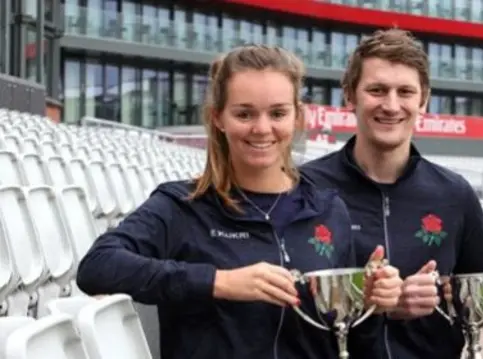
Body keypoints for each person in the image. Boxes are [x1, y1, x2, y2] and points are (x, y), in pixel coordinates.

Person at [75, 45, 403, 359]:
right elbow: (98, 267)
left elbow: (344, 329)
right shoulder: (182, 205)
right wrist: (219, 281)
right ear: (218, 118)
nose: (262, 128)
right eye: (244, 113)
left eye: (277, 113)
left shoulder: (330, 209)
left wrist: (373, 300)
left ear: (297, 118)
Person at [301, 29, 483, 359]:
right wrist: (378, 306)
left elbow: (482, 307)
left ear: (423, 100)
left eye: (405, 91)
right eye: (377, 90)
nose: (391, 105)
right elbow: (287, 308)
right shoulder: (306, 188)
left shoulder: (454, 194)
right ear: (349, 96)